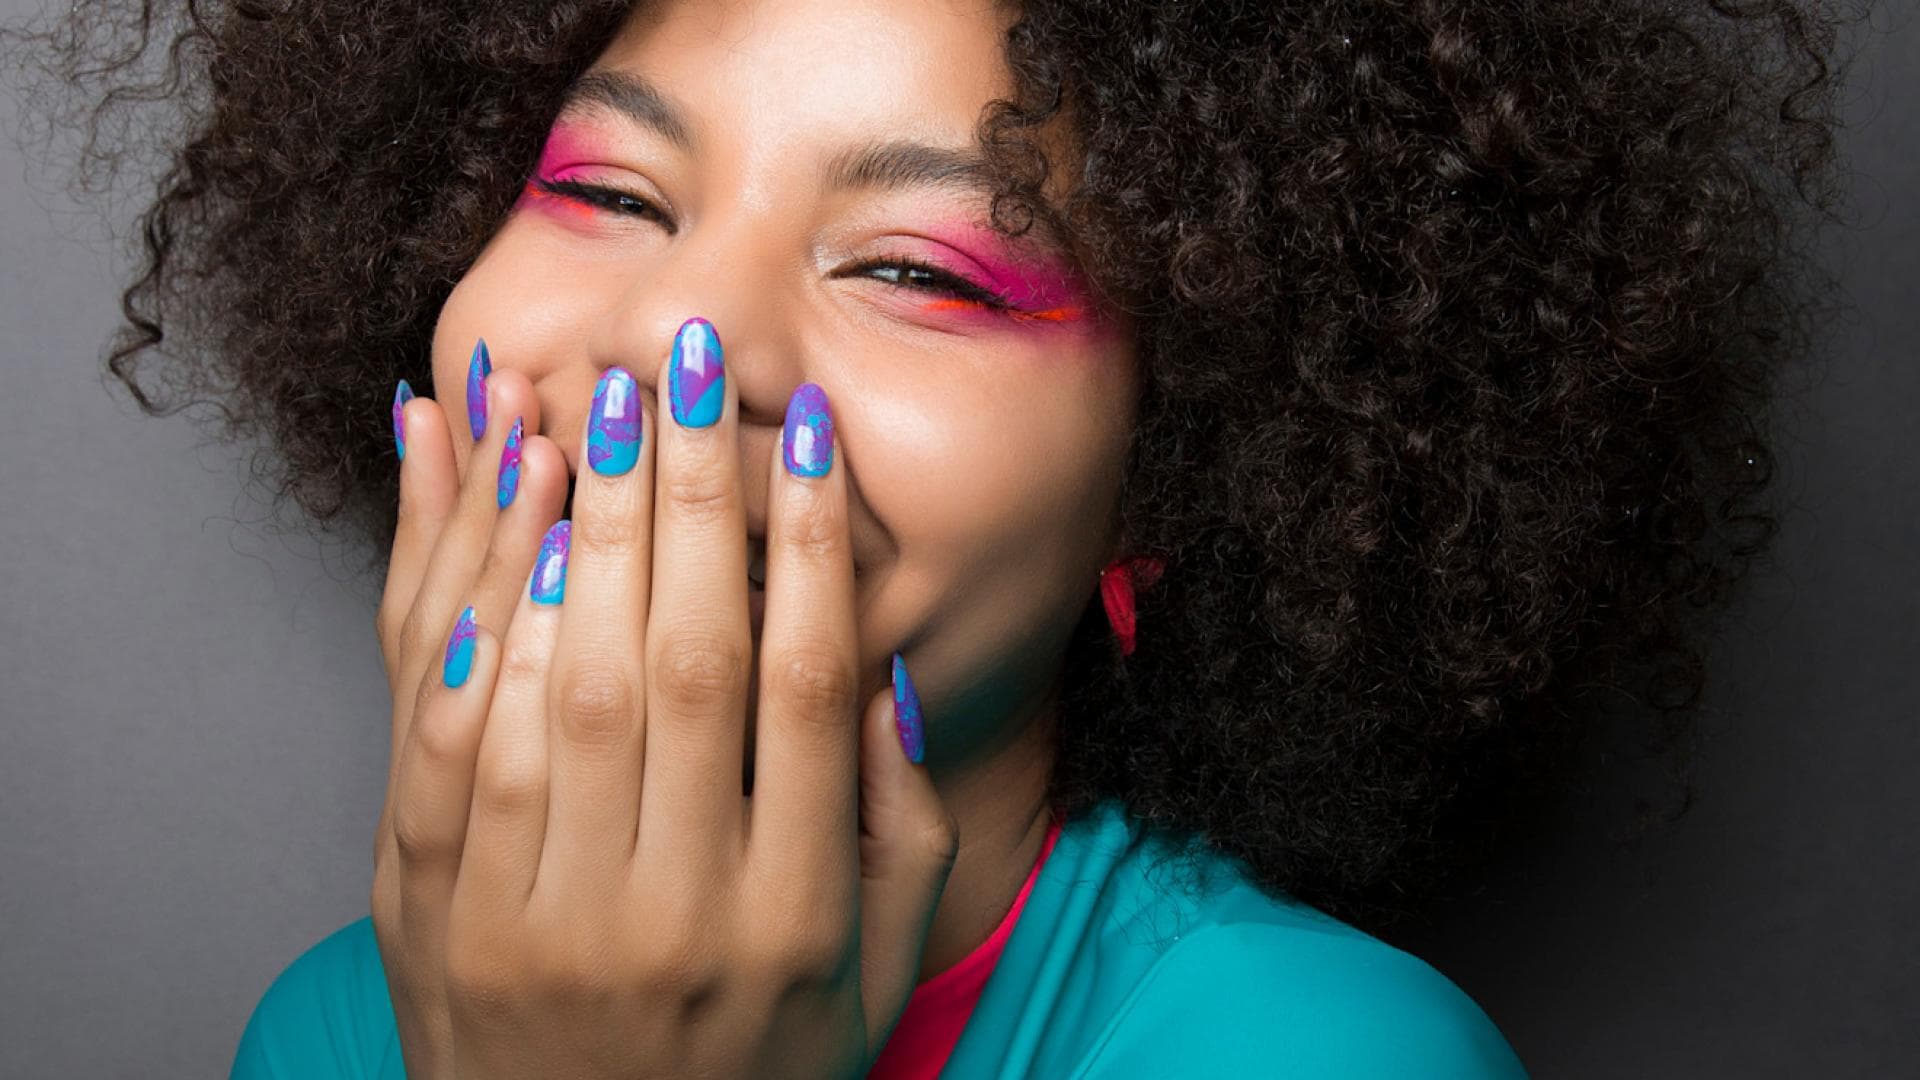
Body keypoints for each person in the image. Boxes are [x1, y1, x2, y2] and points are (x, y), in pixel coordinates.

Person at [10, 0, 1842, 1075]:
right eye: (606, 189)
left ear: (1174, 479)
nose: (672, 346)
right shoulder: (325, 1033)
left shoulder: (1314, 1056)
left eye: (917, 268)